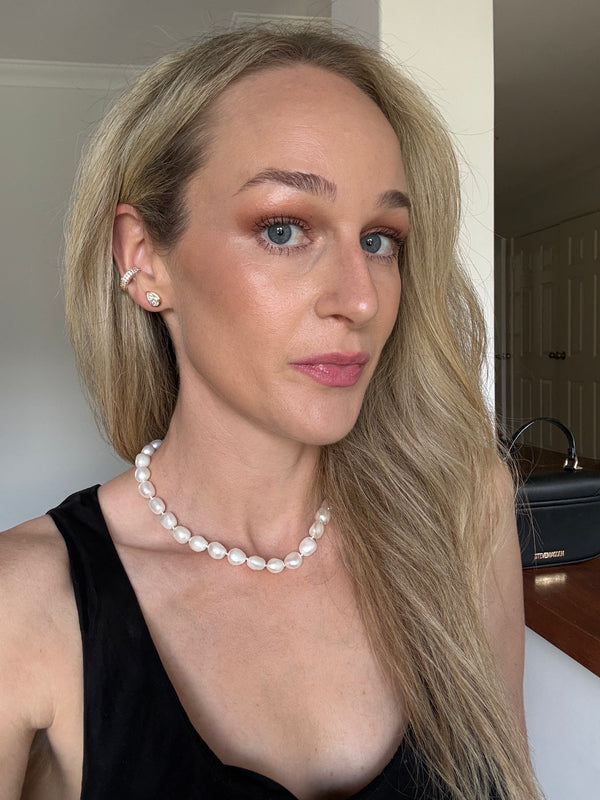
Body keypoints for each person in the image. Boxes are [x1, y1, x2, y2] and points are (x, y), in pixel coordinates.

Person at [0, 26, 539, 800]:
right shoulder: (22, 606)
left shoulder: (462, 516)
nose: (359, 299)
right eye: (284, 229)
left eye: (380, 239)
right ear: (143, 258)